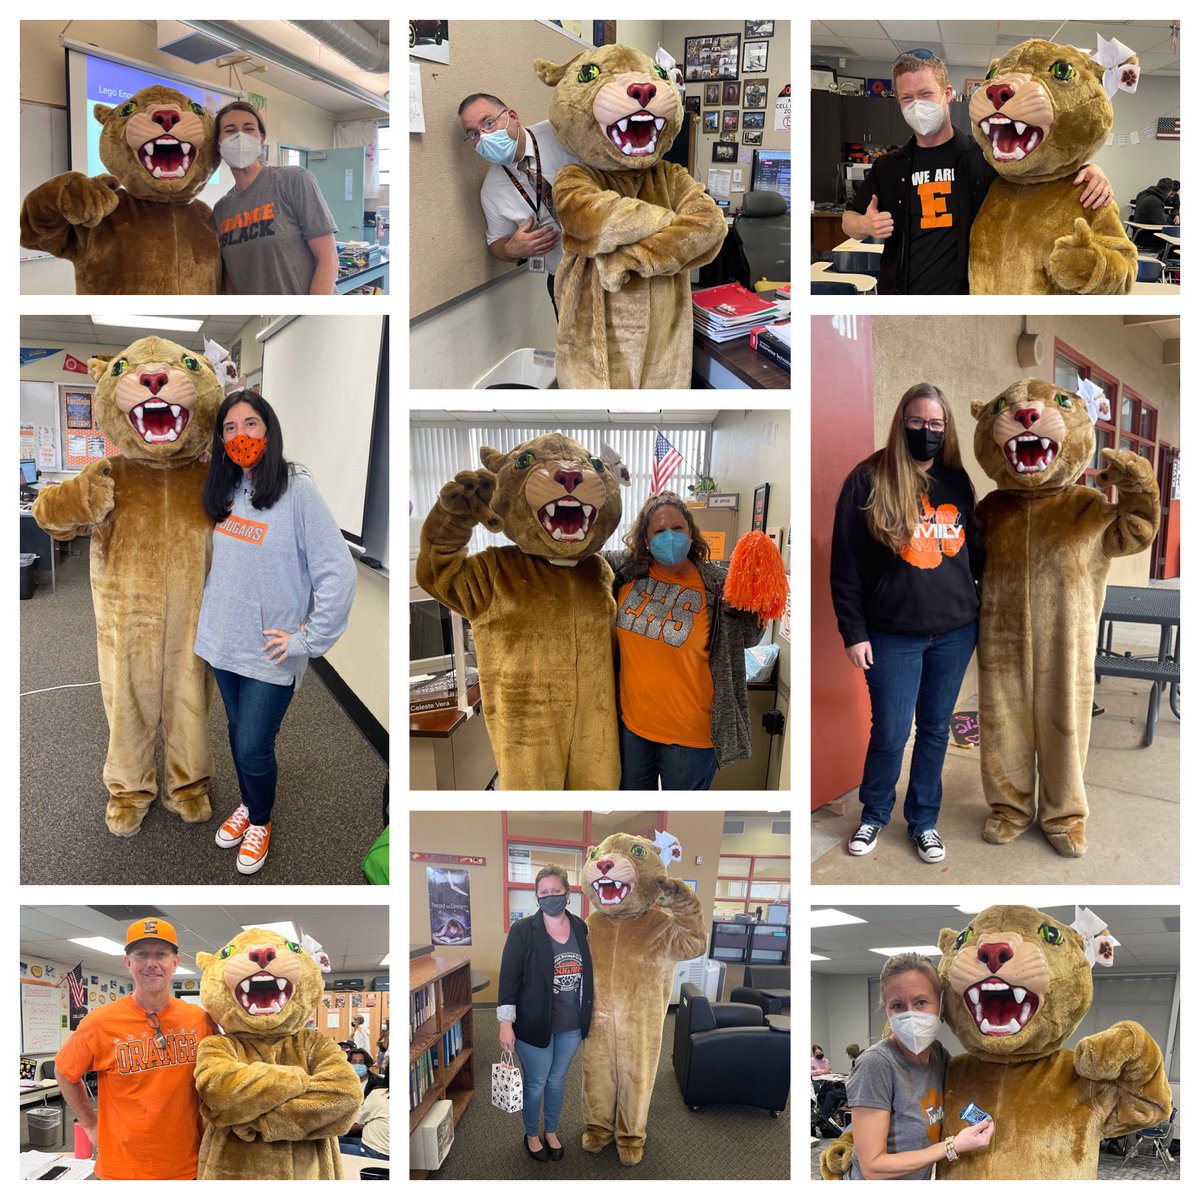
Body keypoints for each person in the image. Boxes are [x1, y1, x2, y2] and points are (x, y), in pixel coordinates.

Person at [195, 390, 357, 874]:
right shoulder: (225, 488)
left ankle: (260, 820)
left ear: (268, 429)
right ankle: (248, 804)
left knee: (253, 744)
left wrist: (308, 641)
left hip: (272, 651)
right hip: (224, 641)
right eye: (229, 428)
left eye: (250, 424)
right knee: (235, 730)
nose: (239, 435)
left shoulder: (296, 489)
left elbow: (338, 573)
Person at [830, 384, 981, 863]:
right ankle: (874, 814)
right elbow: (845, 565)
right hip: (892, 633)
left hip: (955, 631)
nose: (926, 431)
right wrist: (853, 632)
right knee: (892, 732)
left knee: (935, 729)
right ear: (901, 423)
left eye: (936, 424)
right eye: (917, 422)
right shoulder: (868, 479)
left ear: (946, 428)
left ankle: (924, 822)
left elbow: (977, 554)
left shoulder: (956, 481)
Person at [841, 51, 1114, 293]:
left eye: (925, 94)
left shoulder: (987, 158)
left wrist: (1087, 169)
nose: (917, 105)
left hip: (968, 298)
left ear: (948, 94)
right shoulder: (888, 167)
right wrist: (864, 226)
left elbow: (1038, 176)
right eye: (906, 98)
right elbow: (848, 220)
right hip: (901, 297)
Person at [608, 492, 766, 790]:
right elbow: (581, 557)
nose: (669, 537)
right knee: (633, 808)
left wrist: (758, 601)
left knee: (678, 812)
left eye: (677, 528)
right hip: (633, 728)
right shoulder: (625, 573)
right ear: (645, 539)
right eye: (659, 531)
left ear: (690, 532)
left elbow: (749, 637)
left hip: (691, 737)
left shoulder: (718, 584)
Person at [54, 918, 218, 1180]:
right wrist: (89, 1124)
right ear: (128, 963)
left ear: (175, 962)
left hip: (187, 1164)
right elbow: (64, 1072)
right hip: (122, 1168)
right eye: (141, 954)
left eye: (161, 954)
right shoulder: (100, 1022)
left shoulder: (200, 1020)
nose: (151, 963)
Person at [845, 952, 994, 1178]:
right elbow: (873, 1167)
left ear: (941, 1004)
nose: (910, 1015)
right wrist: (952, 1146)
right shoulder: (875, 1065)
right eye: (897, 1005)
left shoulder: (937, 1055)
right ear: (886, 1009)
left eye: (921, 1002)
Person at [497, 864, 592, 1163]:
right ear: (537, 896)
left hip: (571, 1023)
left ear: (567, 893)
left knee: (557, 1080)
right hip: (533, 1022)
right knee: (536, 1083)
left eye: (556, 891)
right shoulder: (523, 930)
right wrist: (505, 1023)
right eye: (544, 892)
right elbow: (509, 979)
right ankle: (531, 1134)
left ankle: (551, 1130)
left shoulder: (580, 927)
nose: (550, 897)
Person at [458, 93, 578, 319]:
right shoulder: (491, 190)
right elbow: (496, 242)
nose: (484, 137)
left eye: (489, 123)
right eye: (474, 134)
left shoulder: (561, 134)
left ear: (513, 117)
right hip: (565, 281)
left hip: (617, 261)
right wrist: (511, 250)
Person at [211, 101, 339, 294]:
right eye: (230, 130)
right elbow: (230, 278)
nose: (240, 136)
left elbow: (328, 260)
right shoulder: (221, 209)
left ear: (261, 139)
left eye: (248, 128)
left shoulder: (293, 180)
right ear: (218, 144)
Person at [338, 1060, 388, 1161]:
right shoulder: (341, 1082)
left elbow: (355, 1124)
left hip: (373, 1152)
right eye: (354, 1062)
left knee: (325, 1148)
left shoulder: (378, 1092)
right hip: (371, 1142)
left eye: (361, 1062)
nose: (357, 1065)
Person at [1130, 177, 1179, 248]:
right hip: (1147, 237)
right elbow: (1161, 224)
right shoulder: (1156, 202)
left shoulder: (1144, 195)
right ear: (1168, 192)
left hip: (1139, 233)